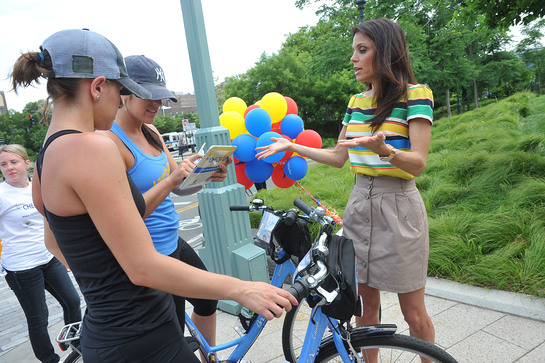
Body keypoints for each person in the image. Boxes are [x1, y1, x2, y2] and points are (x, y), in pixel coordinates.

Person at [11, 28, 296, 362]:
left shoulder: (47, 156)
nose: (119, 101)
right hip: (141, 334)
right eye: (120, 90)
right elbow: (142, 267)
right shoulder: (93, 146)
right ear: (98, 86)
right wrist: (242, 288)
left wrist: (100, 279)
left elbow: (54, 240)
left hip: (109, 332)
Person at [256, 18, 435, 362]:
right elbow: (339, 157)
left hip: (398, 205)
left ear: (386, 53)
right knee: (364, 306)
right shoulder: (355, 101)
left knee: (413, 312)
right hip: (359, 205)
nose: (353, 58)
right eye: (353, 50)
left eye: (362, 50)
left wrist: (386, 151)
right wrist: (292, 146)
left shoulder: (416, 94)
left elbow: (418, 163)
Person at [104, 54, 223, 351]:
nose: (157, 105)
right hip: (150, 254)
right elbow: (127, 211)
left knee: (209, 299)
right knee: (173, 331)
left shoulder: (151, 131)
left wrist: (204, 174)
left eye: (161, 98)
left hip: (174, 240)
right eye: (149, 97)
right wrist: (171, 181)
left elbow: (179, 188)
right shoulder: (109, 143)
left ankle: (208, 357)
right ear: (124, 92)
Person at [0, 144, 81, 363]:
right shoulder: (1, 194)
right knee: (38, 318)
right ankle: (49, 360)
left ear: (27, 163)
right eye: (3, 164)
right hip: (21, 268)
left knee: (72, 301)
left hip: (48, 257)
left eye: (14, 162)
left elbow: (51, 222)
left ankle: (75, 344)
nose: (9, 168)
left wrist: (62, 252)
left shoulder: (38, 187)